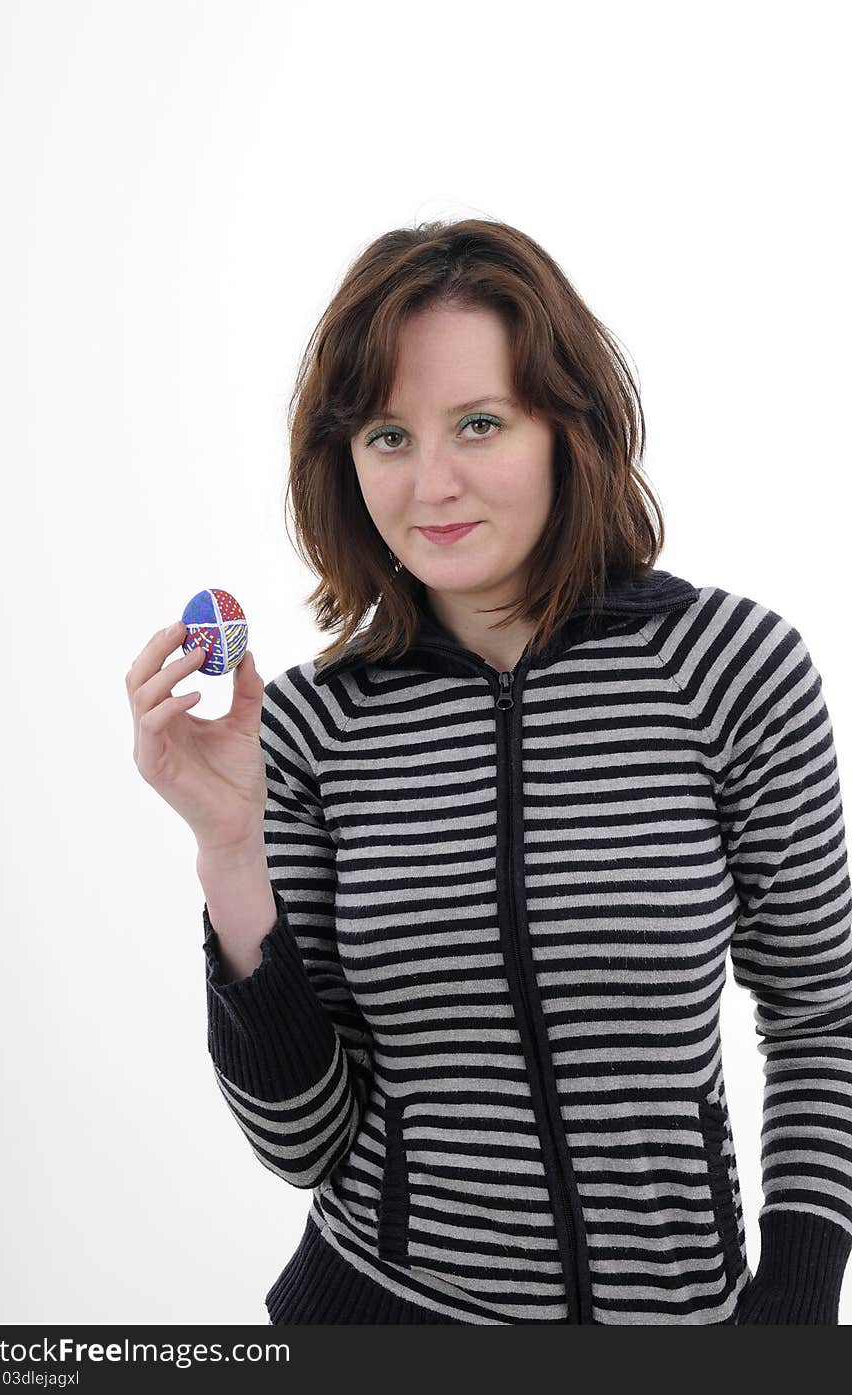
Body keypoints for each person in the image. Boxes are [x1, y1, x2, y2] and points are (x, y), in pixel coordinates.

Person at [126, 218, 852, 1325]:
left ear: (567, 427)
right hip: (376, 1312)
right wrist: (230, 852)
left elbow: (819, 1021)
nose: (432, 486)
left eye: (478, 424)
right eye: (385, 436)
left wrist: (790, 1322)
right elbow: (303, 1142)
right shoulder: (316, 723)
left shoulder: (730, 669)